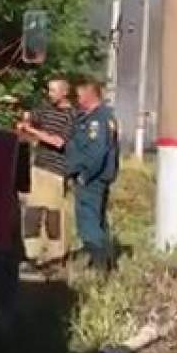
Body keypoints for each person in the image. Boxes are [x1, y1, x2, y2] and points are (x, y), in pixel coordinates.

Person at [15, 78, 76, 265]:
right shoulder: (46, 109)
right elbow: (30, 117)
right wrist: (24, 120)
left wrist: (33, 131)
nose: (49, 94)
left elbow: (58, 142)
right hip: (39, 166)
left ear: (64, 92)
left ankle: (55, 255)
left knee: (53, 214)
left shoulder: (71, 116)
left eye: (53, 91)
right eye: (48, 90)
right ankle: (31, 253)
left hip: (56, 170)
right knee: (33, 212)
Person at [65, 79, 119, 273]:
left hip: (92, 178)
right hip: (94, 177)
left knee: (88, 221)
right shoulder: (92, 117)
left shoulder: (98, 120)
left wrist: (85, 175)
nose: (77, 99)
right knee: (97, 220)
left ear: (90, 95)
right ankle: (104, 261)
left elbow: (97, 152)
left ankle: (100, 265)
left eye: (80, 95)